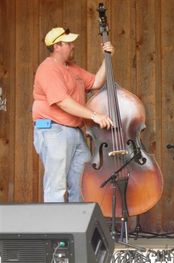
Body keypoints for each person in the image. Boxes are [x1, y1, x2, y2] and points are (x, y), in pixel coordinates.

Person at [32, 27, 114, 202]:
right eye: (68, 43)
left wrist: (107, 58)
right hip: (53, 130)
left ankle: (77, 227)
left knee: (81, 183)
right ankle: (55, 229)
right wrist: (94, 116)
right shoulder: (48, 69)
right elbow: (63, 102)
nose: (73, 46)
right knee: (56, 186)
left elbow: (96, 82)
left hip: (75, 132)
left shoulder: (72, 68)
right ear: (57, 46)